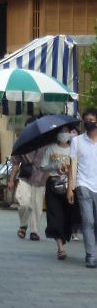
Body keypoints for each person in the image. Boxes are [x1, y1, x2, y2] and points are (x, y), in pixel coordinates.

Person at [8, 117, 48, 242]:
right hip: (25, 176)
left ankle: (34, 230)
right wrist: (11, 180)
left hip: (41, 177)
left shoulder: (46, 142)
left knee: (37, 206)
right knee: (24, 203)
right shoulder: (20, 142)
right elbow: (15, 162)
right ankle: (23, 224)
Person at [41, 127, 77, 260]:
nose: (64, 134)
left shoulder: (74, 148)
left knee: (67, 215)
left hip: (70, 186)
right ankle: (60, 248)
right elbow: (43, 166)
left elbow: (78, 165)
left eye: (66, 130)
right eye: (61, 131)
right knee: (54, 216)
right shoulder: (50, 148)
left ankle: (65, 238)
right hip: (53, 185)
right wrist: (55, 166)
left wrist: (70, 172)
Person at [67, 108, 97, 268]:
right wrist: (70, 188)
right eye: (86, 120)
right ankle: (91, 255)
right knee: (88, 221)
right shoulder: (77, 141)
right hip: (83, 184)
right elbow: (73, 166)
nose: (89, 123)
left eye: (91, 120)